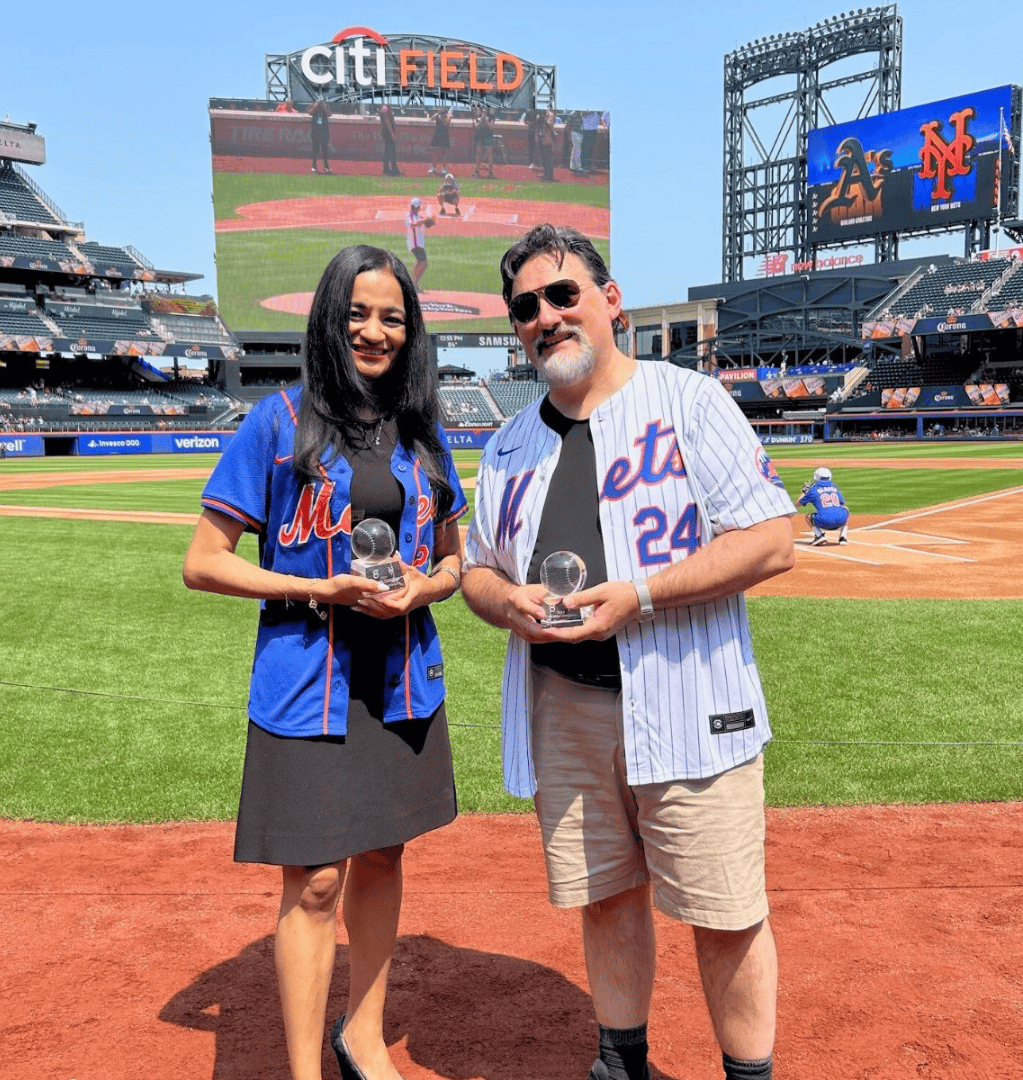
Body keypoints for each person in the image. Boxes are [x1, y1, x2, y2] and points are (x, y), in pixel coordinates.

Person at [461, 224, 795, 1080]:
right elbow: (475, 574)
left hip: (688, 692)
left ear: (609, 302)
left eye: (563, 295)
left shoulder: (688, 400)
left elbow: (770, 540)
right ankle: (622, 1064)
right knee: (606, 896)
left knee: (723, 911)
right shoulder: (506, 446)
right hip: (564, 708)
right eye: (527, 306)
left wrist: (639, 594)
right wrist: (509, 604)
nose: (546, 316)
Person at [183, 244, 467, 1080]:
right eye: (357, 316)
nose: (375, 332)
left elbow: (454, 561)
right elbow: (204, 561)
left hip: (402, 681)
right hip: (310, 685)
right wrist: (318, 589)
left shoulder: (422, 431)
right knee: (312, 884)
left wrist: (424, 590)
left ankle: (363, 1035)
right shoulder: (277, 421)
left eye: (392, 318)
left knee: (384, 856)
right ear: (328, 321)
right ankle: (306, 1070)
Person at [796, 466, 849, 545]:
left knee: (809, 516)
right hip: (840, 521)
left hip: (824, 522)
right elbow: (841, 503)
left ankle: (819, 535)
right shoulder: (835, 488)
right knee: (845, 509)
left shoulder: (813, 490)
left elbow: (797, 504)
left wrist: (804, 492)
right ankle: (843, 537)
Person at [404, 197, 433, 292]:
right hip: (415, 244)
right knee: (423, 263)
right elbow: (413, 224)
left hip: (419, 244)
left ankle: (413, 283)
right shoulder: (409, 216)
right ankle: (414, 283)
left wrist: (430, 221)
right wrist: (425, 220)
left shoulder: (418, 216)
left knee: (420, 263)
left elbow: (425, 224)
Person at [309, 99, 332, 174]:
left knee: (325, 149)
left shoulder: (325, 107)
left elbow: (329, 114)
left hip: (324, 130)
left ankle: (326, 166)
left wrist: (324, 107)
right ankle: (314, 166)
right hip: (316, 130)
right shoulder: (314, 107)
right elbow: (310, 113)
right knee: (315, 149)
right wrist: (315, 106)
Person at [427, 107, 452, 176]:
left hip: (444, 137)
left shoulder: (448, 118)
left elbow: (447, 123)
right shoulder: (437, 117)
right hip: (437, 136)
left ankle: (444, 168)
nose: (442, 114)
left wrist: (448, 115)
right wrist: (437, 114)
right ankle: (433, 167)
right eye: (442, 113)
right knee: (435, 152)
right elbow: (431, 119)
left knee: (444, 153)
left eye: (444, 113)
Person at [379, 104, 400, 176]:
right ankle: (393, 170)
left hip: (386, 133)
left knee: (388, 152)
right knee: (391, 152)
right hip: (388, 134)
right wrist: (392, 134)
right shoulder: (385, 110)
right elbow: (388, 123)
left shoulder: (384, 109)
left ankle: (388, 169)